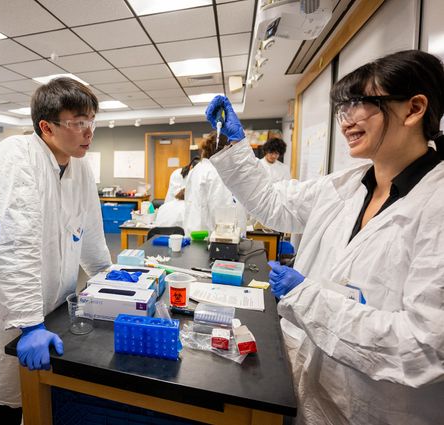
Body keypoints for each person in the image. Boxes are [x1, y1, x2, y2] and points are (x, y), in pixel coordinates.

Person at [205, 49, 444, 425]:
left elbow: (422, 346)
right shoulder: (346, 184)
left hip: (384, 409)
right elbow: (273, 202)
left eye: (360, 104)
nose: (346, 120)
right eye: (342, 110)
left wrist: (306, 296)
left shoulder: (437, 205)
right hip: (317, 389)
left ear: (414, 109)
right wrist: (236, 149)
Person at [0, 77, 112, 423]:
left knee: (42, 402)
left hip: (53, 306)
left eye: (91, 121)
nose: (89, 132)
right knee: (4, 405)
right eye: (78, 123)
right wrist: (29, 324)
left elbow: (89, 228)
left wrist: (108, 275)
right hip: (10, 315)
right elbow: (13, 245)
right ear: (46, 127)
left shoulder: (79, 165)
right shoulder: (16, 157)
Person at [183, 131, 246, 235]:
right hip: (213, 237)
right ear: (226, 149)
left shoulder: (198, 169)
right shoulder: (216, 172)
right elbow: (220, 207)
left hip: (194, 231)